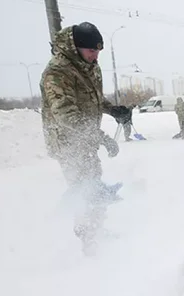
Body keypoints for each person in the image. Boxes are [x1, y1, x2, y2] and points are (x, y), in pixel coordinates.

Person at [39, 21, 125, 255]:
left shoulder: (89, 65)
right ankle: (88, 240)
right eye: (91, 51)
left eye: (98, 51)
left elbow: (93, 97)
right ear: (76, 47)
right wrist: (101, 137)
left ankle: (96, 230)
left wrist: (113, 109)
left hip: (86, 138)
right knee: (83, 190)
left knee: (94, 184)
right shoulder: (57, 72)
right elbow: (65, 114)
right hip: (67, 142)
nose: (95, 56)